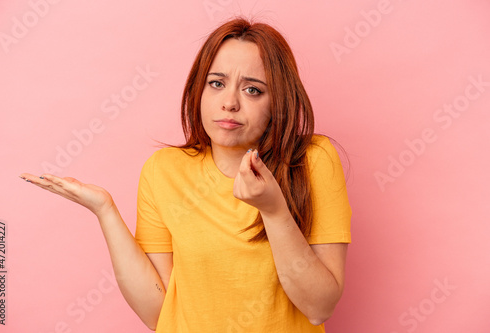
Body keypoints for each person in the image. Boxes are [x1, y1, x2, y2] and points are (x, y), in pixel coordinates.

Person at [21, 17, 351, 332]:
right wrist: (104, 209)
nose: (229, 103)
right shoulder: (164, 170)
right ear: (199, 89)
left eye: (252, 90)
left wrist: (274, 209)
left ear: (277, 100)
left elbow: (318, 307)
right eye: (217, 83)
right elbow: (156, 314)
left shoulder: (312, 160)